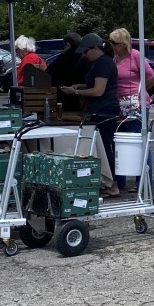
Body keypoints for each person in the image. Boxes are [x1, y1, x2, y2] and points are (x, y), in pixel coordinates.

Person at [59, 34, 121, 196]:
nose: (84, 56)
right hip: (101, 109)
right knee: (102, 147)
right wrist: (80, 85)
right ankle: (109, 181)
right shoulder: (99, 63)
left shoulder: (103, 63)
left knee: (106, 147)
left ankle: (113, 184)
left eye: (86, 52)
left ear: (95, 48)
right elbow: (95, 85)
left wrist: (76, 91)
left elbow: (98, 90)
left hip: (104, 110)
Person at [108, 27, 154, 191]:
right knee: (120, 142)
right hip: (120, 105)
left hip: (137, 105)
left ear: (123, 43)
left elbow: (151, 78)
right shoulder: (114, 58)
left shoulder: (135, 56)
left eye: (114, 43)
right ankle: (120, 180)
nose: (112, 45)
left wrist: (140, 93)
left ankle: (142, 181)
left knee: (139, 142)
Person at [47, 31, 88, 115]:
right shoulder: (86, 57)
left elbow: (48, 72)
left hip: (62, 98)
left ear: (68, 44)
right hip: (82, 99)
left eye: (64, 45)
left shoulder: (62, 58)